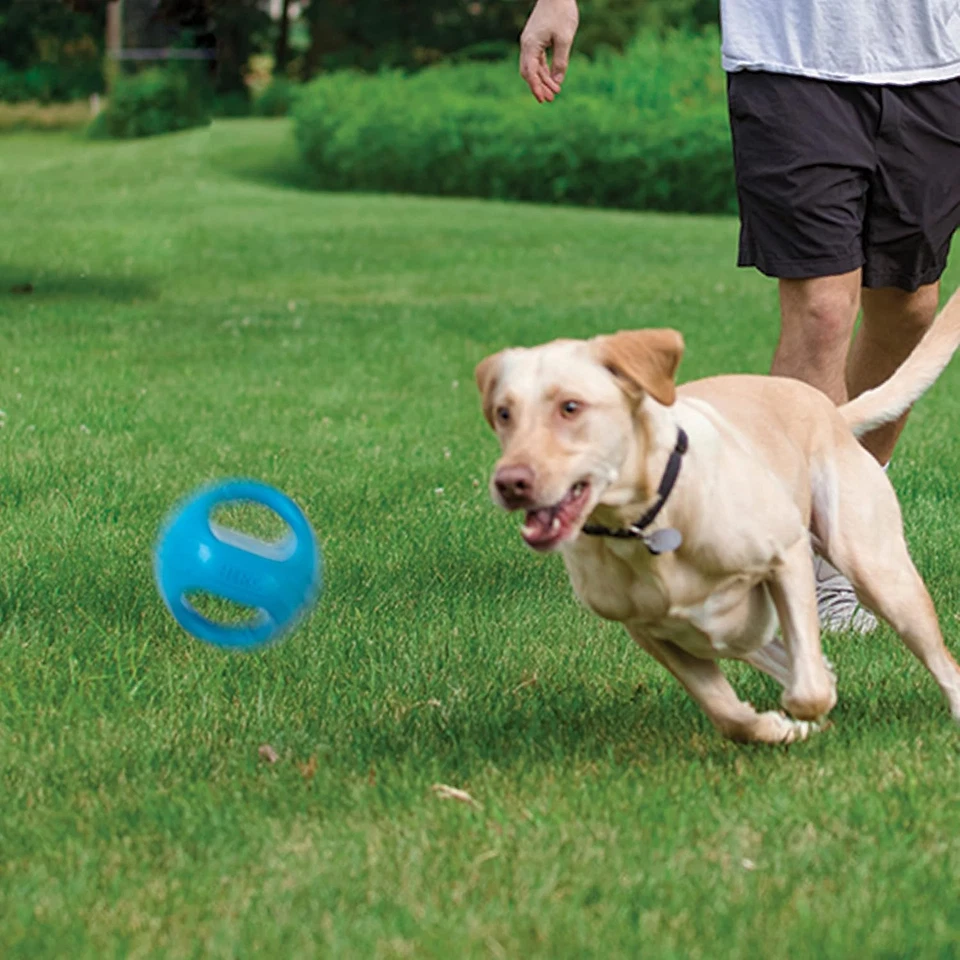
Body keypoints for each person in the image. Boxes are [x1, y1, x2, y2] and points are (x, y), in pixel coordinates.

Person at [518, 0, 960, 632]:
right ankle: (815, 559)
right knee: (823, 310)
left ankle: (849, 500)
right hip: (790, 58)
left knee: (909, 307)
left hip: (934, 61)